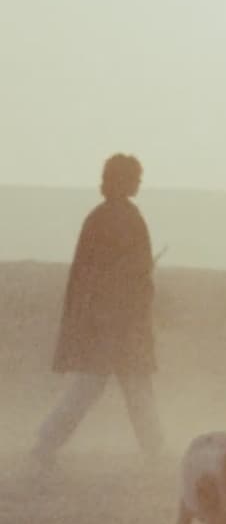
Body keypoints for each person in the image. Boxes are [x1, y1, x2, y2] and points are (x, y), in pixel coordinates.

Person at [32, 153, 164, 465]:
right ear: (122, 180)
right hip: (115, 322)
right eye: (134, 177)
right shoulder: (120, 218)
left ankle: (46, 442)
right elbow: (123, 273)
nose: (139, 182)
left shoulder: (102, 217)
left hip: (106, 319)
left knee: (101, 386)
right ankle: (153, 448)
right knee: (123, 385)